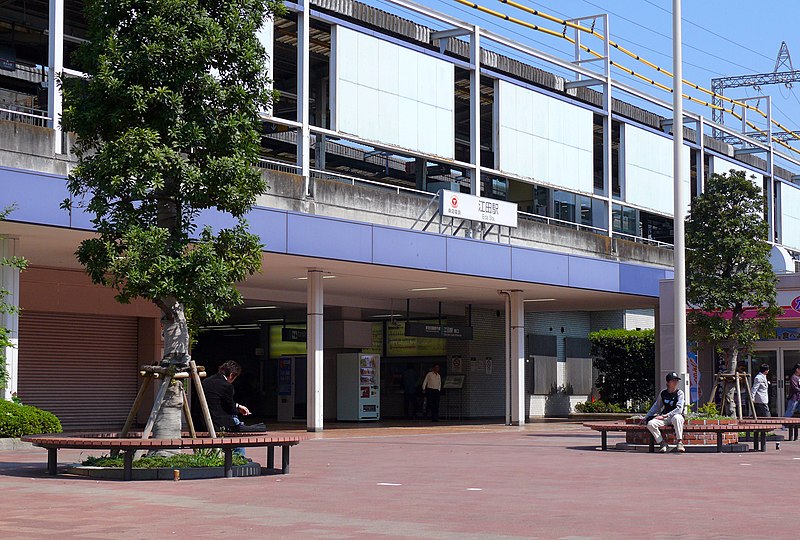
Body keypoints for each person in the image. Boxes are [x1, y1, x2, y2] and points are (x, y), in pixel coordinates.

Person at [202, 360, 252, 432]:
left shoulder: (206, 381)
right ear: (231, 375)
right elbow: (230, 408)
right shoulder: (227, 386)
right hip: (217, 423)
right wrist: (238, 410)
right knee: (236, 420)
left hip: (202, 422)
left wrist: (238, 406)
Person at [644, 372, 686, 453]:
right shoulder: (663, 393)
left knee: (677, 418)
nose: (676, 382)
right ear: (667, 382)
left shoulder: (680, 393)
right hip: (666, 418)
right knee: (650, 424)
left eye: (677, 380)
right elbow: (656, 406)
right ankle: (662, 443)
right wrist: (647, 417)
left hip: (675, 416)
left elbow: (679, 409)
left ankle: (679, 442)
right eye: (673, 380)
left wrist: (664, 416)